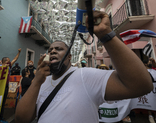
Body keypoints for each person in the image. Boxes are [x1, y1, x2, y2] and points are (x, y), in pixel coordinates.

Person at [15, 11, 153, 123]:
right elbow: (22, 119)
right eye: (50, 50)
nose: (52, 51)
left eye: (58, 49)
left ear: (69, 56)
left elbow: (141, 85)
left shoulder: (85, 75)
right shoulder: (41, 83)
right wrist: (37, 81)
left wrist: (106, 35)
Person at [0, 48, 21, 123]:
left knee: (3, 102)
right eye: (9, 60)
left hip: (6, 87)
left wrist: (18, 53)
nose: (10, 61)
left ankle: (0, 118)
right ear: (6, 61)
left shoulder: (8, 66)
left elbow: (15, 59)